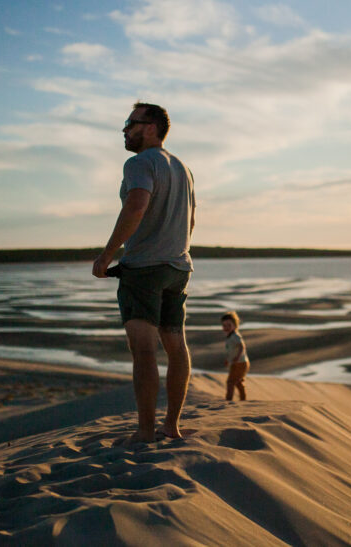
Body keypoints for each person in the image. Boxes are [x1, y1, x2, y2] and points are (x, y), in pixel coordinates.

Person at [92, 102, 196, 444]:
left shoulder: (138, 163)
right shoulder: (182, 168)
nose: (124, 130)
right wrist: (173, 249)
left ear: (149, 127)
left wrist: (107, 256)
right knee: (175, 345)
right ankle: (173, 426)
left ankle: (147, 431)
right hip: (178, 268)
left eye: (130, 123)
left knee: (145, 350)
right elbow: (191, 221)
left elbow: (136, 205)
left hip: (144, 269)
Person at [221, 311, 249, 401]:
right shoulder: (229, 337)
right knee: (238, 382)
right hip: (235, 363)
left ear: (235, 325)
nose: (226, 328)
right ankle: (243, 399)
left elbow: (242, 346)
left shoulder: (235, 336)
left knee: (230, 382)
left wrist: (237, 356)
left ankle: (228, 401)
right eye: (224, 325)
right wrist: (227, 360)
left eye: (229, 325)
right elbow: (231, 351)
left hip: (241, 363)